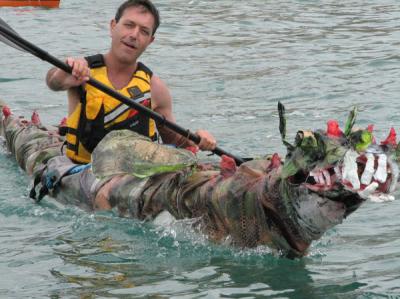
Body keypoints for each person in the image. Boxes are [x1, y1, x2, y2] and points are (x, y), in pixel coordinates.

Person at [46, 0, 216, 164]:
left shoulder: (155, 88)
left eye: (144, 31)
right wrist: (65, 71)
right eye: (129, 25)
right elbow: (53, 82)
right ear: (113, 26)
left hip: (135, 175)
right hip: (84, 169)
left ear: (150, 41)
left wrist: (199, 139)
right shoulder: (82, 71)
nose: (134, 35)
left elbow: (175, 140)